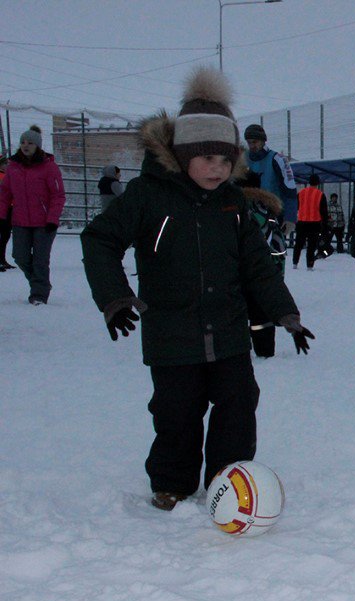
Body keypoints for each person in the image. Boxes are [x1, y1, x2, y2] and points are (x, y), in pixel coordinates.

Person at [80, 67, 314, 511]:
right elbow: (99, 240)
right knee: (176, 411)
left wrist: (286, 314)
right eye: (207, 158)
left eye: (226, 160)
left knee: (239, 403)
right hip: (171, 331)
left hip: (227, 329)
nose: (217, 168)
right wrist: (114, 297)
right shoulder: (148, 195)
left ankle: (229, 478)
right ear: (182, 154)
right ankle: (172, 482)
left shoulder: (233, 203)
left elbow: (258, 266)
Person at [0, 125, 66, 304]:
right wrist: (1, 215)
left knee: (40, 260)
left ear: (38, 145)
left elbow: (58, 195)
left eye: (30, 142)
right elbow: (4, 194)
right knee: (19, 256)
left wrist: (52, 218)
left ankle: (39, 295)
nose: (25, 145)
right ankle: (41, 283)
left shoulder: (49, 167)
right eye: (22, 142)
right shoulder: (13, 168)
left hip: (44, 223)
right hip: (20, 221)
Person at [239, 174, 288, 358]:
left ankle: (238, 350)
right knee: (261, 316)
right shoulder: (268, 210)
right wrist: (277, 275)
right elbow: (278, 245)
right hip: (263, 273)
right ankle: (265, 350)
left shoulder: (229, 208)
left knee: (234, 315)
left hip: (235, 273)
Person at [243, 123, 297, 231]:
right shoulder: (242, 159)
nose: (252, 146)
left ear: (263, 141)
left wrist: (290, 218)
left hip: (272, 216)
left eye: (255, 142)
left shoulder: (278, 159)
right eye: (249, 142)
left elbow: (290, 190)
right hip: (247, 215)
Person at [294, 174, 328, 270]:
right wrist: (325, 225)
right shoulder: (320, 194)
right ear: (318, 183)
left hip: (301, 222)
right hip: (314, 224)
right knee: (311, 246)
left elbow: (295, 206)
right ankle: (309, 265)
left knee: (298, 244)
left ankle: (295, 263)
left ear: (309, 182)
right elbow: (324, 212)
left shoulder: (301, 193)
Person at [0, 155, 13, 271]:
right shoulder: (3, 177)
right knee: (3, 235)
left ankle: (2, 259)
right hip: (3, 209)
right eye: (5, 164)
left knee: (5, 235)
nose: (7, 166)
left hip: (9, 208)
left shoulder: (7, 176)